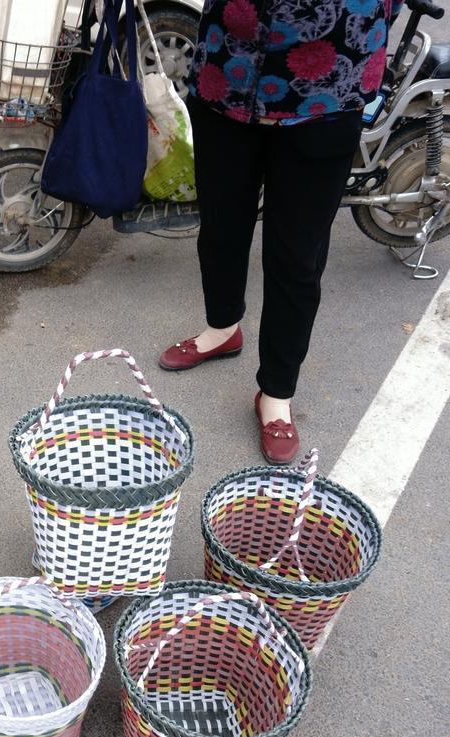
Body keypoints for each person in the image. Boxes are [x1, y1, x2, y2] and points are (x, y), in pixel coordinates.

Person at [160, 0, 402, 463]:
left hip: (328, 89)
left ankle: (276, 394)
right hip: (226, 79)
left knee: (296, 256)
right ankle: (222, 328)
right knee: (220, 229)